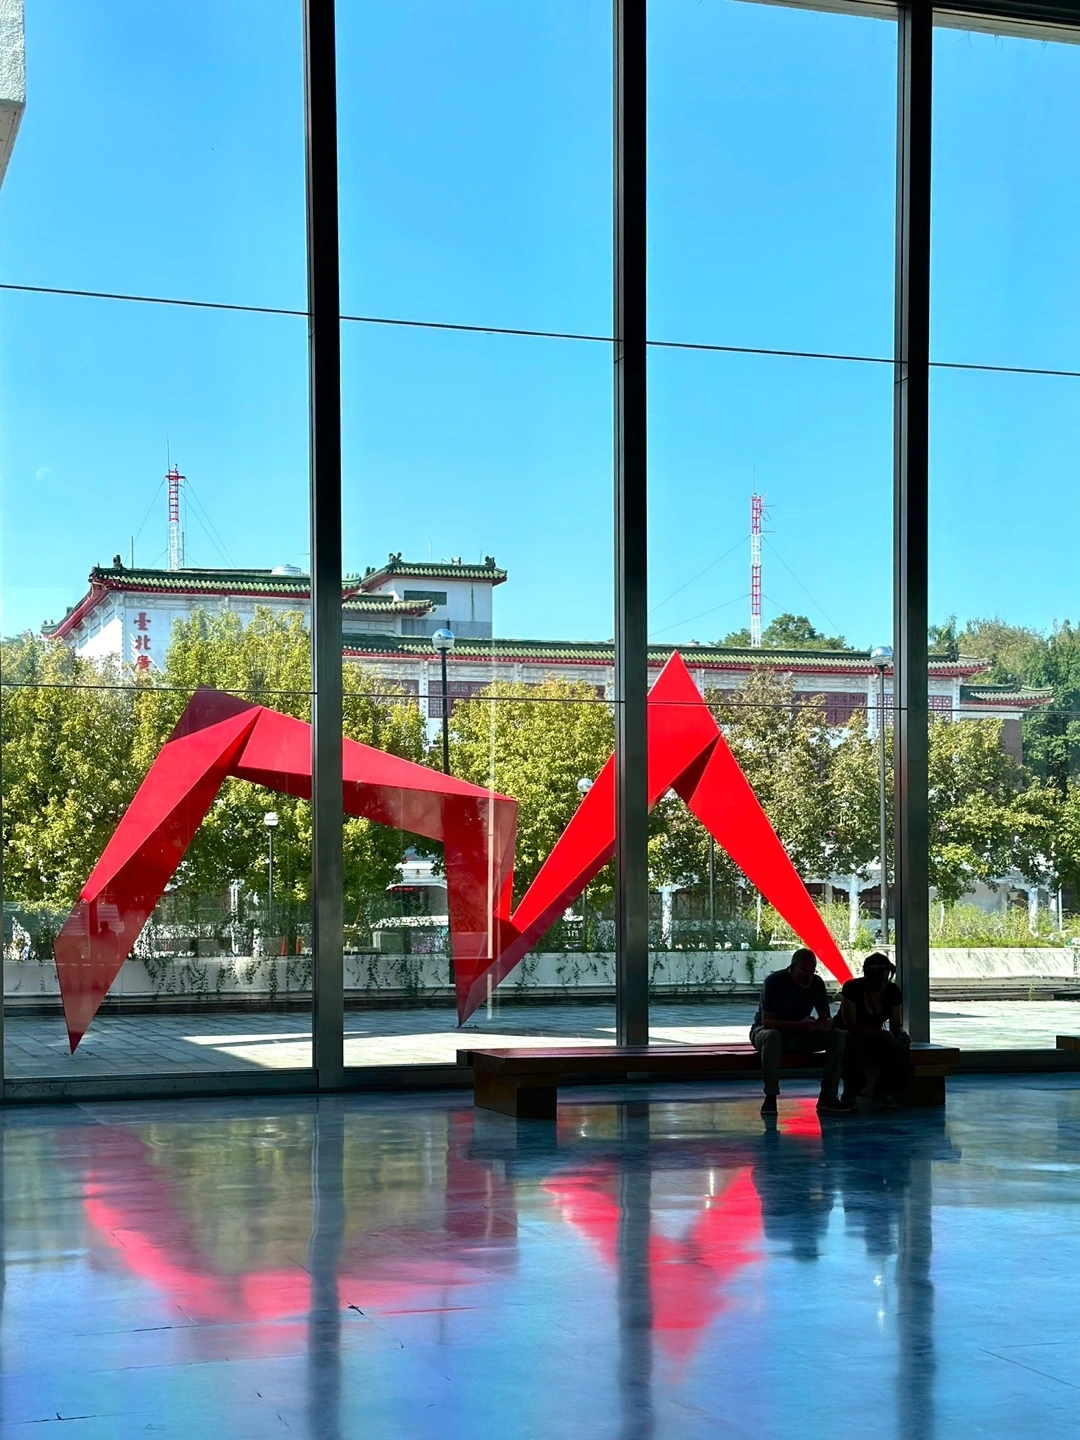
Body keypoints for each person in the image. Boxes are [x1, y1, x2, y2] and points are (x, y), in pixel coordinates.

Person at [749, 948, 851, 1117]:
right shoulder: (774, 981)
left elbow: (824, 1016)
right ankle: (771, 1096)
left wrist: (823, 1025)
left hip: (800, 1032)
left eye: (812, 973)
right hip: (767, 1031)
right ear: (791, 968)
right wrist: (799, 1025)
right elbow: (768, 1022)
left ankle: (828, 1096)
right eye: (803, 972)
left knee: (838, 1036)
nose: (808, 978)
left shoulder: (816, 983)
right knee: (772, 1036)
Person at [837, 953, 910, 1107]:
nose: (881, 984)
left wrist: (900, 1034)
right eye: (877, 980)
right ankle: (852, 1091)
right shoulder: (852, 988)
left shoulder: (892, 990)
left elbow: (895, 1023)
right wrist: (882, 1033)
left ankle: (884, 1090)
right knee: (854, 1044)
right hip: (849, 1032)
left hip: (874, 1034)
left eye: (885, 979)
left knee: (899, 1045)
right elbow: (851, 1025)